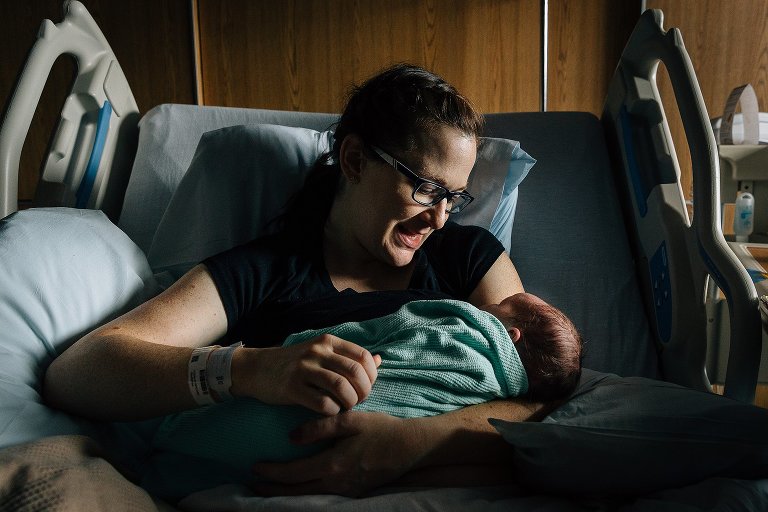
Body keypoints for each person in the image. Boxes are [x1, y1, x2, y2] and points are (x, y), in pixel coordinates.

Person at [44, 63, 549, 497]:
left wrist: (410, 445)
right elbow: (79, 372)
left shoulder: (467, 256)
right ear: (354, 160)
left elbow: (543, 394)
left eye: (454, 198)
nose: (439, 219)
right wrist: (249, 370)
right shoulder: (262, 273)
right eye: (427, 188)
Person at [144, 292, 582, 499]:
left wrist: (293, 346)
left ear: (510, 332)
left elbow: (353, 335)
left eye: (501, 304)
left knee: (208, 430)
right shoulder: (495, 391)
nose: (440, 214)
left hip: (312, 407)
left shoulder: (462, 319)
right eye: (426, 189)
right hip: (314, 446)